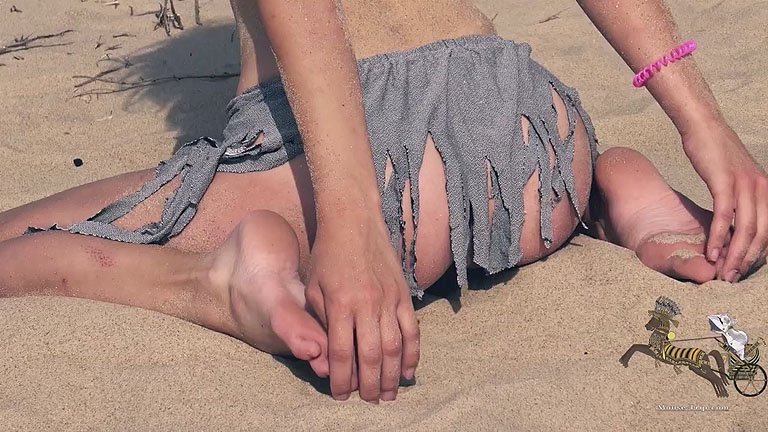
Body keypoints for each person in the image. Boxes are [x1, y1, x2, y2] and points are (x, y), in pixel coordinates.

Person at [0, 0, 766, 404]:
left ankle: (209, 283)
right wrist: (704, 124)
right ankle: (603, 183)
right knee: (559, 166)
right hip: (532, 133)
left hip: (391, 181)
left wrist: (352, 221)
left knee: (20, 246)